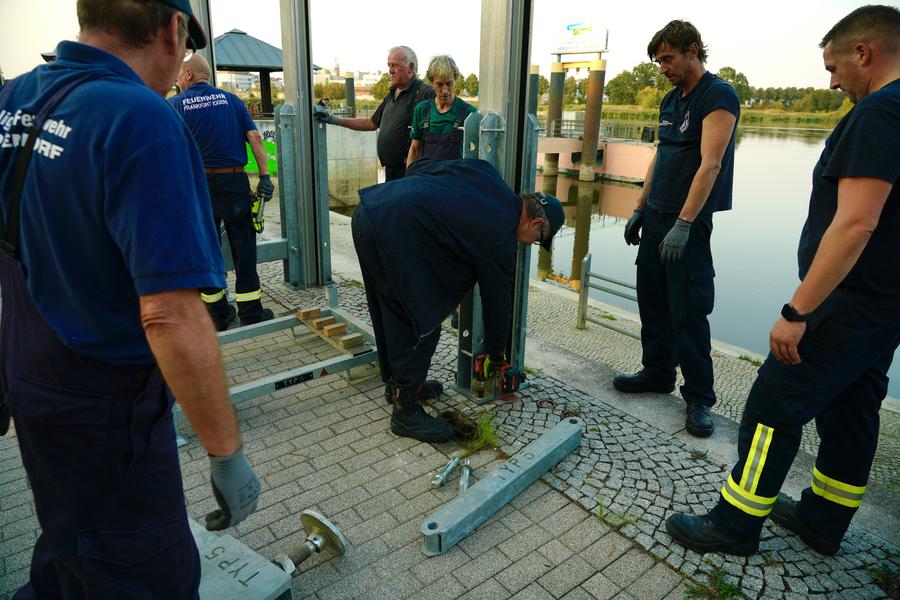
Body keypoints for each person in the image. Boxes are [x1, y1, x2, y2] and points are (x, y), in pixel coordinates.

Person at [0, 1, 261, 597]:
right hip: (105, 407)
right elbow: (169, 313)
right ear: (173, 30)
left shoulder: (15, 98)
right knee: (147, 575)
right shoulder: (140, 117)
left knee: (69, 547)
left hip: (31, 376)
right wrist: (226, 454)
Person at [666, 4, 900, 557]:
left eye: (833, 69)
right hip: (886, 303)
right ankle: (823, 519)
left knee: (773, 403)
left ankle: (735, 523)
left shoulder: (878, 114)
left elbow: (856, 223)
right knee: (853, 409)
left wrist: (798, 311)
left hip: (845, 298)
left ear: (863, 52)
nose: (833, 82)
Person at [351, 159, 565, 442]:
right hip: (392, 231)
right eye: (537, 239)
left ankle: (400, 387)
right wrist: (496, 356)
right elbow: (497, 303)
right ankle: (406, 413)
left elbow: (422, 166)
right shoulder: (500, 237)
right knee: (421, 321)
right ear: (535, 222)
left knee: (391, 310)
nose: (530, 244)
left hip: (372, 211)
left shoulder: (487, 173)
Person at [613, 20, 739, 438]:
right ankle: (657, 372)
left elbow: (711, 165)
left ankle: (699, 398)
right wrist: (639, 208)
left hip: (689, 222)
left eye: (668, 59)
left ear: (693, 50)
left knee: (688, 311)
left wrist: (684, 224)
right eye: (659, 61)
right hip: (656, 217)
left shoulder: (718, 96)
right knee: (651, 301)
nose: (663, 68)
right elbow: (660, 155)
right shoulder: (670, 100)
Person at [169, 54, 274, 330]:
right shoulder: (232, 100)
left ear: (188, 74)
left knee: (207, 250)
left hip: (198, 187)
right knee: (244, 248)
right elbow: (254, 137)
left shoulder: (174, 105)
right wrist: (264, 176)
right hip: (234, 183)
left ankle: (217, 315)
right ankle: (251, 313)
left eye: (179, 75)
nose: (177, 81)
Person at [315, 46, 435, 181]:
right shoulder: (391, 95)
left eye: (395, 65)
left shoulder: (425, 93)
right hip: (391, 171)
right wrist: (334, 120)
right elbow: (371, 123)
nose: (390, 70)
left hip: (410, 172)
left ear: (411, 68)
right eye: (389, 65)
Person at [406, 55, 476, 167]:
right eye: (439, 84)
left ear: (455, 80)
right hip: (426, 175)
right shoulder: (421, 110)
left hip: (454, 175)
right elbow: (414, 149)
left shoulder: (469, 113)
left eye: (449, 84)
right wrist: (409, 175)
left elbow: (476, 154)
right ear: (432, 83)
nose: (445, 91)